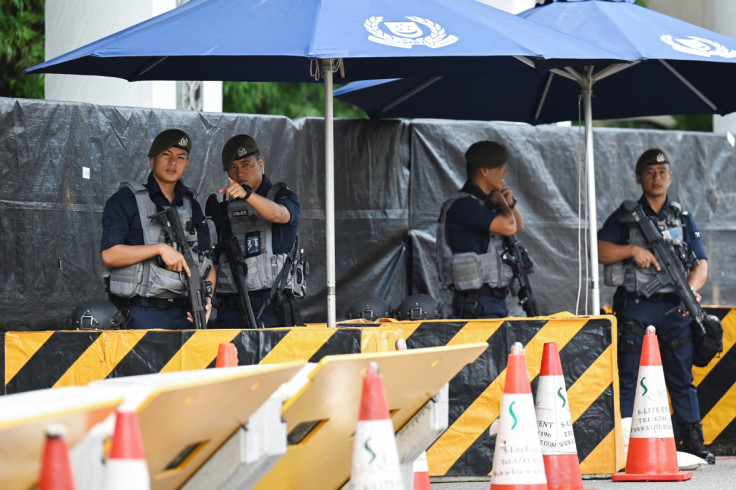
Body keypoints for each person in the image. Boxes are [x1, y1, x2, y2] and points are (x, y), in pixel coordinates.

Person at [597, 148, 715, 464]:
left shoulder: (683, 218)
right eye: (650, 172)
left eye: (662, 172)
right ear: (639, 177)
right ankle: (623, 445)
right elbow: (600, 251)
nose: (657, 177)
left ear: (670, 176)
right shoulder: (626, 215)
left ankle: (692, 441)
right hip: (637, 306)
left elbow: (701, 264)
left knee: (682, 376)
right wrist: (632, 250)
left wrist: (690, 291)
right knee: (629, 376)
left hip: (675, 310)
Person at [101, 129, 215, 329]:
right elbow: (110, 255)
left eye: (180, 157)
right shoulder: (125, 201)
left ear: (187, 164)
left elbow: (208, 264)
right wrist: (160, 248)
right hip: (140, 314)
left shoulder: (192, 205)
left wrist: (206, 301)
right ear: (151, 159)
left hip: (185, 313)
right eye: (166, 155)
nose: (173, 163)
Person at [206, 134, 302, 328]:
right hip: (230, 309)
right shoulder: (225, 206)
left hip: (270, 308)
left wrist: (248, 195)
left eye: (245, 164)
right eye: (232, 167)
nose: (239, 172)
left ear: (260, 163)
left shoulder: (281, 195)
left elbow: (280, 215)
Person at [437, 140, 523, 318]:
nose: (504, 172)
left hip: (492, 301)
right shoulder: (465, 205)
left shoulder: (483, 203)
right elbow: (509, 227)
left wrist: (510, 204)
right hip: (476, 303)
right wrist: (501, 203)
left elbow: (518, 226)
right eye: (500, 167)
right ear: (484, 171)